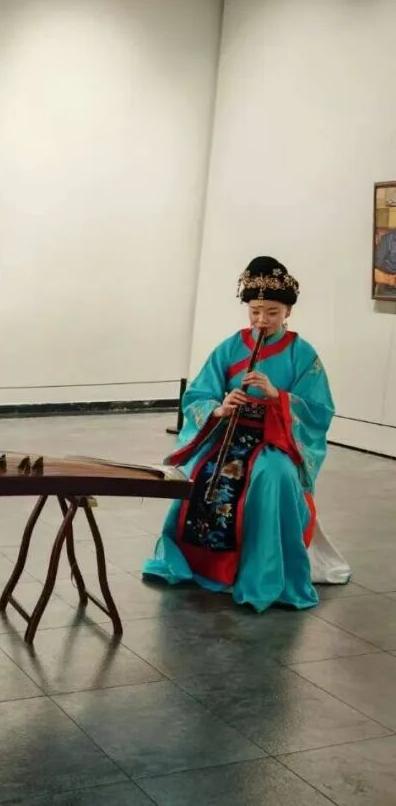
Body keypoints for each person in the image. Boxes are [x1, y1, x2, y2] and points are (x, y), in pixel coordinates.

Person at [142, 255, 350, 611]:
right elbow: (198, 394)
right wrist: (220, 407)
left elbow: (318, 410)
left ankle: (263, 572)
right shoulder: (231, 347)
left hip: (274, 439)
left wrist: (277, 396)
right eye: (255, 311)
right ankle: (201, 564)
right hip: (228, 432)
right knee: (201, 472)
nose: (262, 320)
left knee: (273, 476)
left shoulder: (302, 354)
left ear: (288, 312)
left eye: (272, 312)